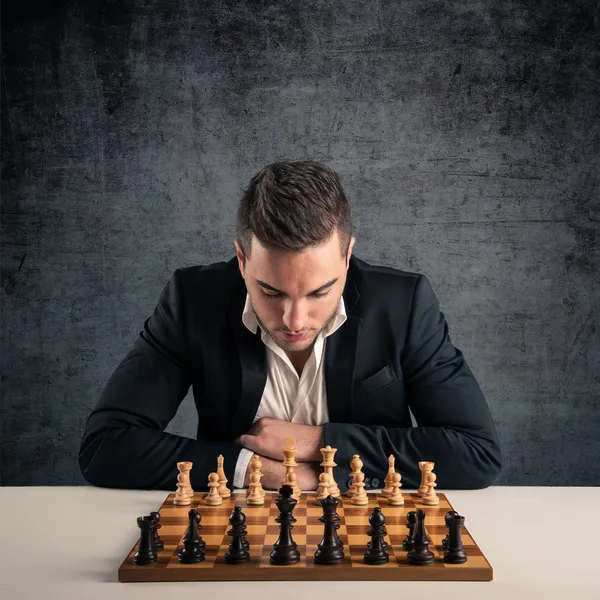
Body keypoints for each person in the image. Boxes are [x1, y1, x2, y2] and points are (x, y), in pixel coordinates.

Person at [78, 160, 502, 492]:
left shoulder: (403, 306)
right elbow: (104, 447)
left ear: (347, 257)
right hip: (236, 537)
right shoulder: (193, 301)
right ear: (242, 260)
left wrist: (319, 443)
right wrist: (254, 470)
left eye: (319, 292)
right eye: (271, 292)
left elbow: (477, 453)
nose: (294, 321)